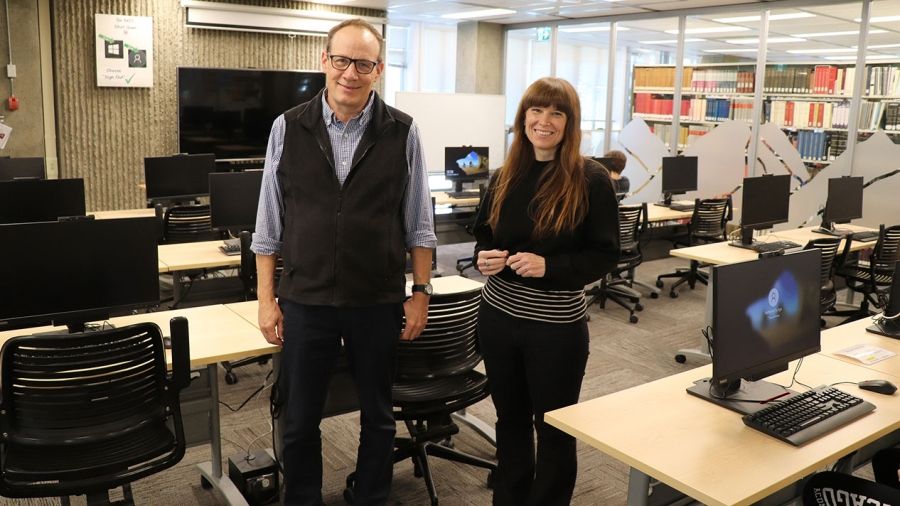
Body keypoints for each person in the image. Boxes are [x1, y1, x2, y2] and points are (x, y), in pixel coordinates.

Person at [251, 18, 437, 506]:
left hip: (374, 298)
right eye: (341, 60)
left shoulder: (402, 131)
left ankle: (372, 496)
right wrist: (266, 300)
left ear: (377, 70)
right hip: (305, 298)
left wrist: (420, 293)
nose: (350, 73)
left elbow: (419, 221)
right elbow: (269, 223)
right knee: (300, 417)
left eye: (363, 63)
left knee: (377, 414)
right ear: (323, 61)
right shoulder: (288, 126)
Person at [472, 77, 620, 506]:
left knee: (554, 427)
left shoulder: (590, 178)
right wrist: (485, 257)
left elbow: (605, 255)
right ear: (523, 118)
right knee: (510, 421)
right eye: (536, 110)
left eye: (557, 112)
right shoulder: (505, 175)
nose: (544, 121)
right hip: (498, 319)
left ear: (569, 123)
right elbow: (484, 235)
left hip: (555, 329)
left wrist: (549, 266)